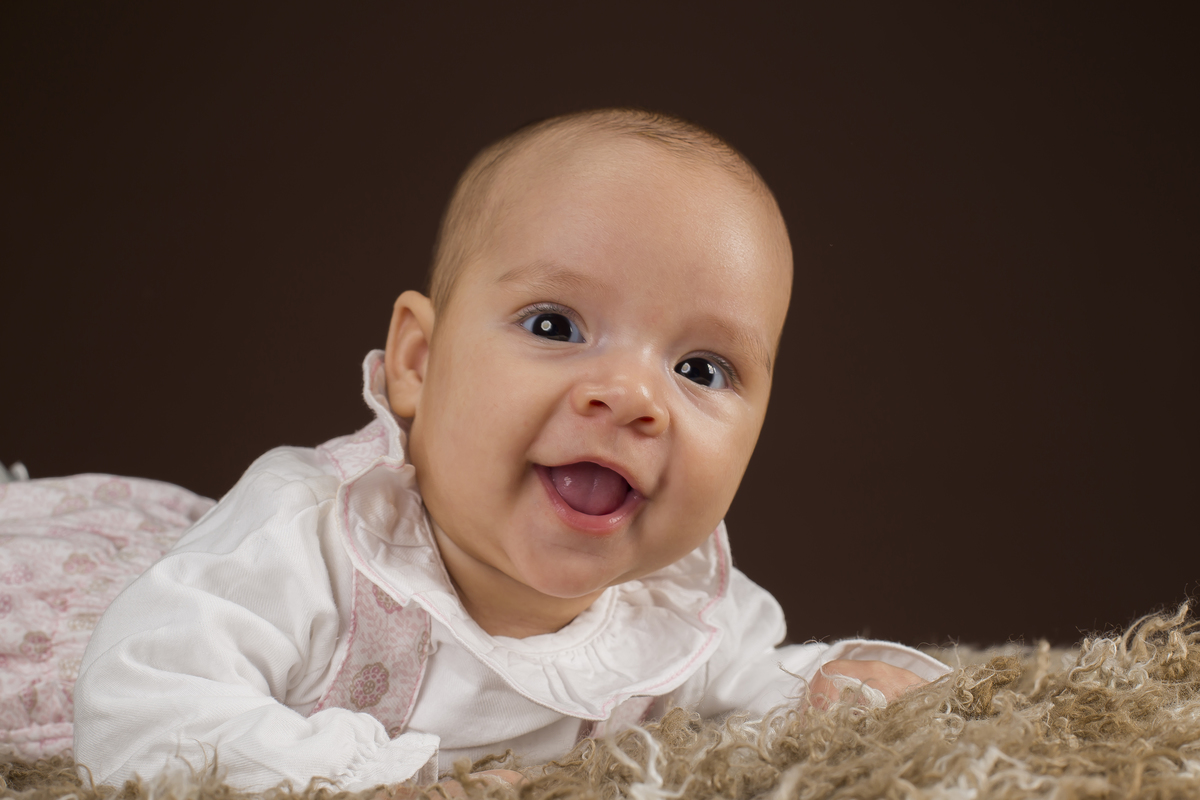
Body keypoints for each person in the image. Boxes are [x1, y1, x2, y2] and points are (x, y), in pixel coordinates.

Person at [68, 109, 949, 791]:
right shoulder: (318, 535)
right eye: (555, 325)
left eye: (701, 367)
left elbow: (754, 690)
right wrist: (372, 780)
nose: (633, 397)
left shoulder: (676, 610)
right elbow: (137, 705)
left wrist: (833, 693)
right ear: (419, 360)